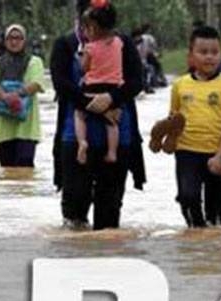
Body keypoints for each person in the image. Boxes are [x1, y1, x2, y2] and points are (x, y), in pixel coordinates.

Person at [50, 0, 145, 230]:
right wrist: (91, 102)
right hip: (76, 137)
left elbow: (137, 81)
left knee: (110, 210)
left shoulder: (123, 44)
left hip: (118, 133)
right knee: (75, 204)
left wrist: (111, 99)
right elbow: (61, 84)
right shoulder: (65, 45)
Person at [167, 25, 221, 228]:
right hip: (187, 153)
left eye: (215, 52)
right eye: (203, 52)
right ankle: (195, 238)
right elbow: (173, 120)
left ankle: (214, 251)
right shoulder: (179, 85)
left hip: (218, 153)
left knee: (218, 220)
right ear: (191, 55)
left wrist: (219, 156)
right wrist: (167, 139)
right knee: (188, 197)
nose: (210, 57)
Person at [0, 24, 44, 167]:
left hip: (27, 128)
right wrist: (5, 97)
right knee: (7, 171)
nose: (14, 42)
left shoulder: (34, 62)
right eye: (10, 38)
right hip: (4, 129)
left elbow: (36, 84)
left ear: (24, 41)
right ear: (5, 41)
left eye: (18, 38)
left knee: (25, 167)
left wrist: (15, 94)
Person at [74, 0, 123, 164]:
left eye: (86, 28)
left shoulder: (90, 47)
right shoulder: (118, 43)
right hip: (112, 88)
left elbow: (84, 68)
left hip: (92, 87)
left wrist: (83, 57)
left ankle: (82, 141)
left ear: (93, 29)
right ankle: (112, 152)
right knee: (112, 123)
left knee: (79, 115)